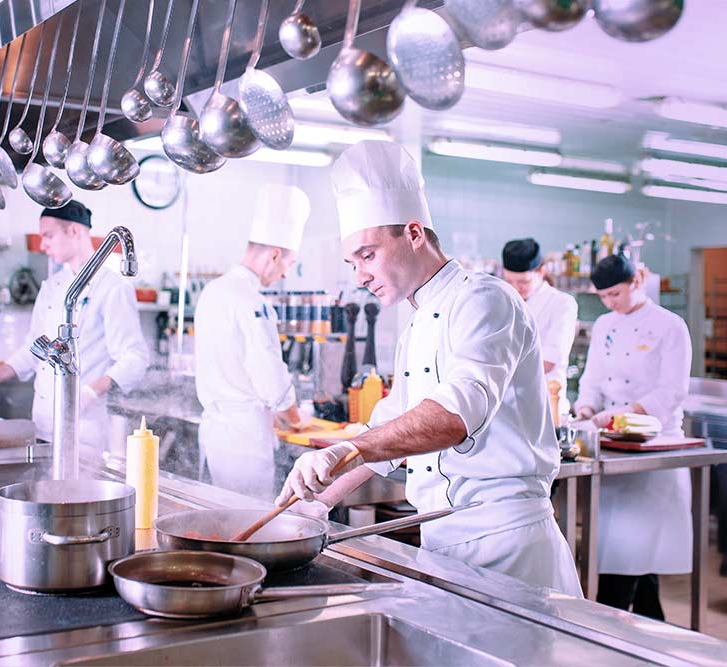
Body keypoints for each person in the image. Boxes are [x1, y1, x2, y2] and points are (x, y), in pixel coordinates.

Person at [276, 141, 582, 597]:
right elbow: (392, 430)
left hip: (507, 549)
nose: (358, 275)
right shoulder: (417, 321)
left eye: (367, 255)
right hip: (445, 543)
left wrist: (349, 450)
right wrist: (313, 502)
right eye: (351, 262)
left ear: (414, 233)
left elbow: (453, 417)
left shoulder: (485, 299)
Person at [0, 201, 149, 460]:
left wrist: (88, 392)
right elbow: (34, 350)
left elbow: (135, 358)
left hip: (82, 431)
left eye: (48, 236)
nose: (42, 245)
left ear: (74, 231)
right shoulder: (53, 286)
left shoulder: (112, 287)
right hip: (42, 425)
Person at [574, 254, 692, 620]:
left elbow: (672, 390)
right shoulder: (605, 324)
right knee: (626, 557)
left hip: (652, 450)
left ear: (636, 282)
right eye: (603, 296)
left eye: (615, 293)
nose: (610, 302)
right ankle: (648, 634)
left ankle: (613, 635)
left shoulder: (669, 325)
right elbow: (592, 380)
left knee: (632, 559)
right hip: (612, 451)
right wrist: (586, 409)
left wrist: (626, 414)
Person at [194, 184, 312, 500]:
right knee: (247, 531)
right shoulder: (252, 301)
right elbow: (268, 373)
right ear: (274, 254)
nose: (286, 274)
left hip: (215, 436)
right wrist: (296, 419)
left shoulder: (213, 291)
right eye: (288, 264)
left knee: (218, 524)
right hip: (244, 443)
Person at [502, 238, 578, 418]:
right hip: (505, 405)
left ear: (542, 271)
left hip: (545, 406)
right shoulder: (503, 300)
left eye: (523, 282)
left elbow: (549, 360)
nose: (515, 288)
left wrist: (496, 372)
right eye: (509, 281)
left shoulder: (562, 303)